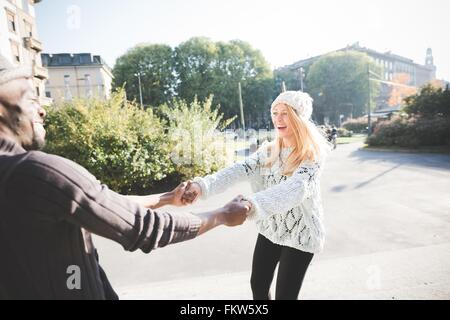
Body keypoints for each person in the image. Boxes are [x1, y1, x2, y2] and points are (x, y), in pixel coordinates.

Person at [0, 55, 251, 300]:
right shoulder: (38, 173)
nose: (42, 110)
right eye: (30, 98)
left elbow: (102, 203)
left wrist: (166, 198)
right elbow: (147, 228)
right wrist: (222, 215)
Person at [183, 91, 331, 300]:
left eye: (285, 113)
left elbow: (295, 190)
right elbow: (239, 169)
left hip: (301, 233)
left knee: (285, 296)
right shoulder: (269, 151)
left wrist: (251, 205)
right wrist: (202, 186)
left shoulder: (312, 155)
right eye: (274, 112)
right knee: (258, 286)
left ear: (298, 117)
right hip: (271, 228)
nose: (277, 118)